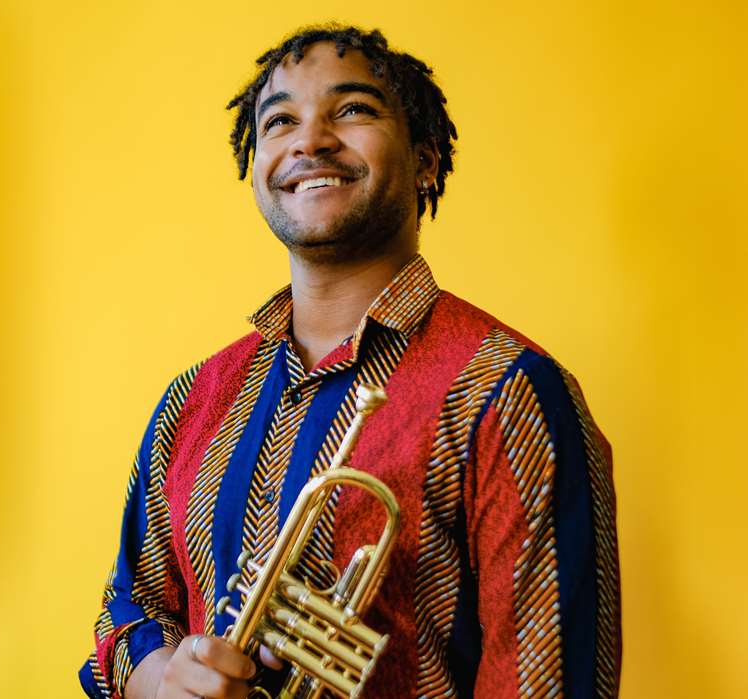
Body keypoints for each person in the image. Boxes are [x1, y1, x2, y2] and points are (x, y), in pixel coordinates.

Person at [80, 25, 621, 699]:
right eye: (280, 121)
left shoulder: (510, 390)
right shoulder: (194, 397)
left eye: (354, 110)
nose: (310, 140)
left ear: (425, 159)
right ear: (256, 164)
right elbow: (128, 606)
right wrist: (161, 677)